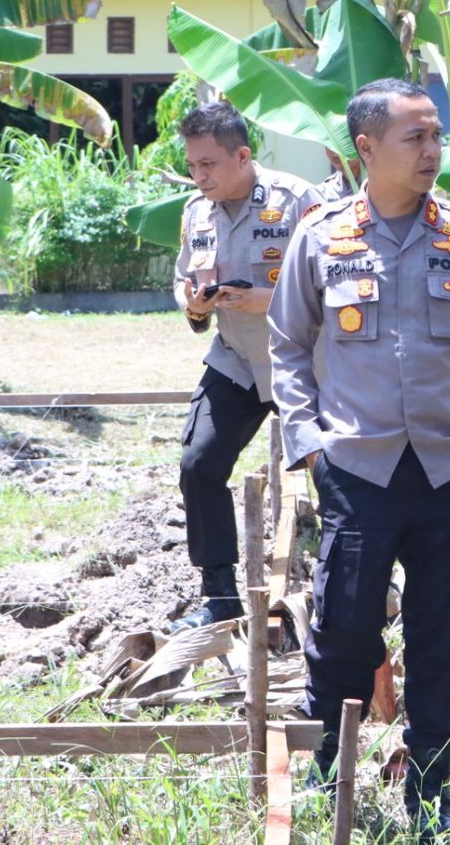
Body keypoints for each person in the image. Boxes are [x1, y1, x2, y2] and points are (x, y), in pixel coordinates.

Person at [268, 78, 450, 838]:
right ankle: (325, 774)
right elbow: (287, 343)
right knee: (343, 630)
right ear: (366, 149)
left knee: (445, 637)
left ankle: (433, 788)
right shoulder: (322, 234)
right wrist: (307, 442)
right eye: (416, 138)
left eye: (436, 136)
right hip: (359, 467)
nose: (433, 152)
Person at [170, 102, 322, 632]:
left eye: (209, 164)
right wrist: (196, 305)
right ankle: (219, 596)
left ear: (242, 155)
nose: (200, 175)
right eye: (192, 165)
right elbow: (184, 285)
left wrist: (268, 299)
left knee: (336, 472)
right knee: (199, 464)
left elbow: (335, 284)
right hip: (235, 358)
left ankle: (352, 583)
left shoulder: (298, 200)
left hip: (301, 358)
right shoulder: (196, 212)